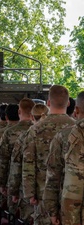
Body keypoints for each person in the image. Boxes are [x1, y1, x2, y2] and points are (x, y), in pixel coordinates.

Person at [22, 85, 75, 225]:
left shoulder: (35, 129)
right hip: (71, 197)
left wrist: (29, 193)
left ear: (49, 103)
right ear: (68, 103)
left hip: (42, 195)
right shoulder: (77, 130)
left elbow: (28, 163)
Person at [8, 103, 49, 222]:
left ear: (32, 117)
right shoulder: (63, 132)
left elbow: (20, 165)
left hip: (34, 192)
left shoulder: (27, 136)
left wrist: (18, 191)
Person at [0, 98, 35, 212]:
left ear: (19, 112)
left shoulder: (9, 132)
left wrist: (2, 184)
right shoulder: (39, 131)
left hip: (16, 184)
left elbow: (3, 160)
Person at [59, 91, 84, 224]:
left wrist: (51, 209)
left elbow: (53, 173)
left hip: (72, 210)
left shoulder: (65, 135)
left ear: (76, 110)